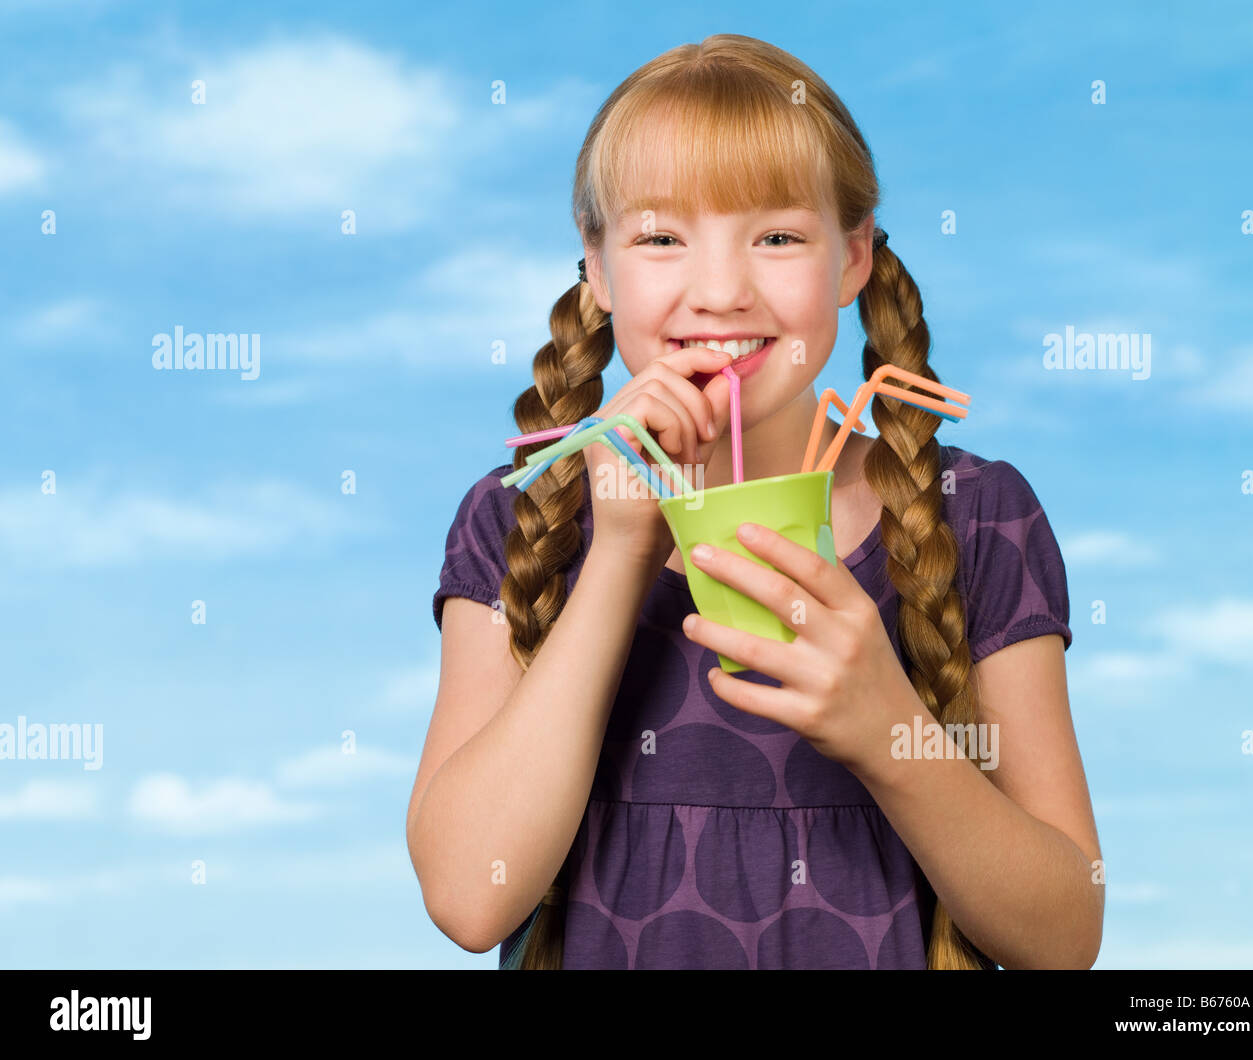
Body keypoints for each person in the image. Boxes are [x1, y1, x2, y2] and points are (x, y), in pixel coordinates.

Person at [408, 33, 1103, 970]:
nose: (723, 291)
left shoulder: (974, 515)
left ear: (852, 259)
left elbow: (1066, 935)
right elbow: (467, 899)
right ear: (599, 269)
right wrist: (617, 551)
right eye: (661, 238)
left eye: (777, 236)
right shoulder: (516, 517)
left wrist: (885, 731)